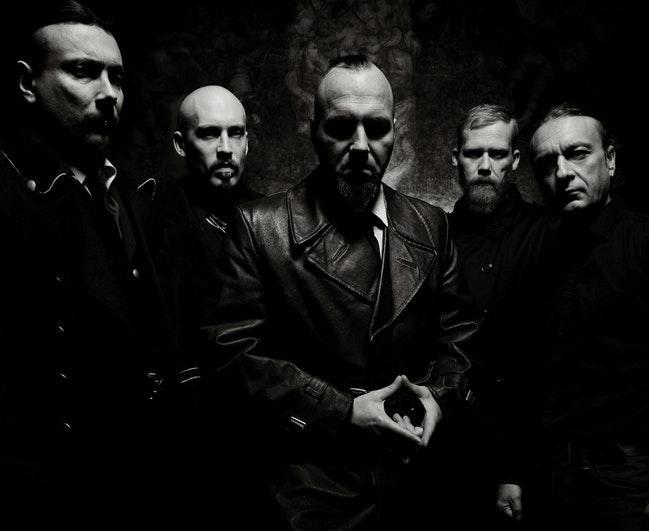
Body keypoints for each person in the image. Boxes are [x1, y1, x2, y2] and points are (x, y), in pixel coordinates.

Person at [203, 54, 479, 529]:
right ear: (314, 132)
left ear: (395, 131)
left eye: (377, 127)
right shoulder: (259, 227)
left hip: (417, 485)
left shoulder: (432, 225)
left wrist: (439, 396)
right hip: (309, 492)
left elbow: (461, 336)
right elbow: (230, 354)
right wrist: (342, 411)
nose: (360, 145)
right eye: (340, 127)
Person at [0, 1, 173, 518]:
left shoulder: (131, 190)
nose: (108, 93)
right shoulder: (10, 189)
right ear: (28, 83)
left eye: (116, 78)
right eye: (83, 71)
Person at [528, 103, 649, 530]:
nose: (562, 173)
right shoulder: (539, 257)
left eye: (577, 153)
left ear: (610, 160)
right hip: (552, 478)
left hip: (627, 480)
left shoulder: (642, 242)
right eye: (547, 165)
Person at [156, 85, 264, 522]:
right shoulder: (151, 217)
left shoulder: (274, 219)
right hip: (181, 438)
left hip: (262, 436)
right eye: (208, 134)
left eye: (235, 133)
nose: (225, 148)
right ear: (181, 144)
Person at [448, 104, 555, 524]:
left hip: (527, 455)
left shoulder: (547, 231)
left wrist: (515, 468)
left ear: (514, 160)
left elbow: (546, 362)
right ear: (455, 157)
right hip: (450, 449)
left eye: (497, 154)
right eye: (474, 153)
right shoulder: (435, 237)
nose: (485, 166)